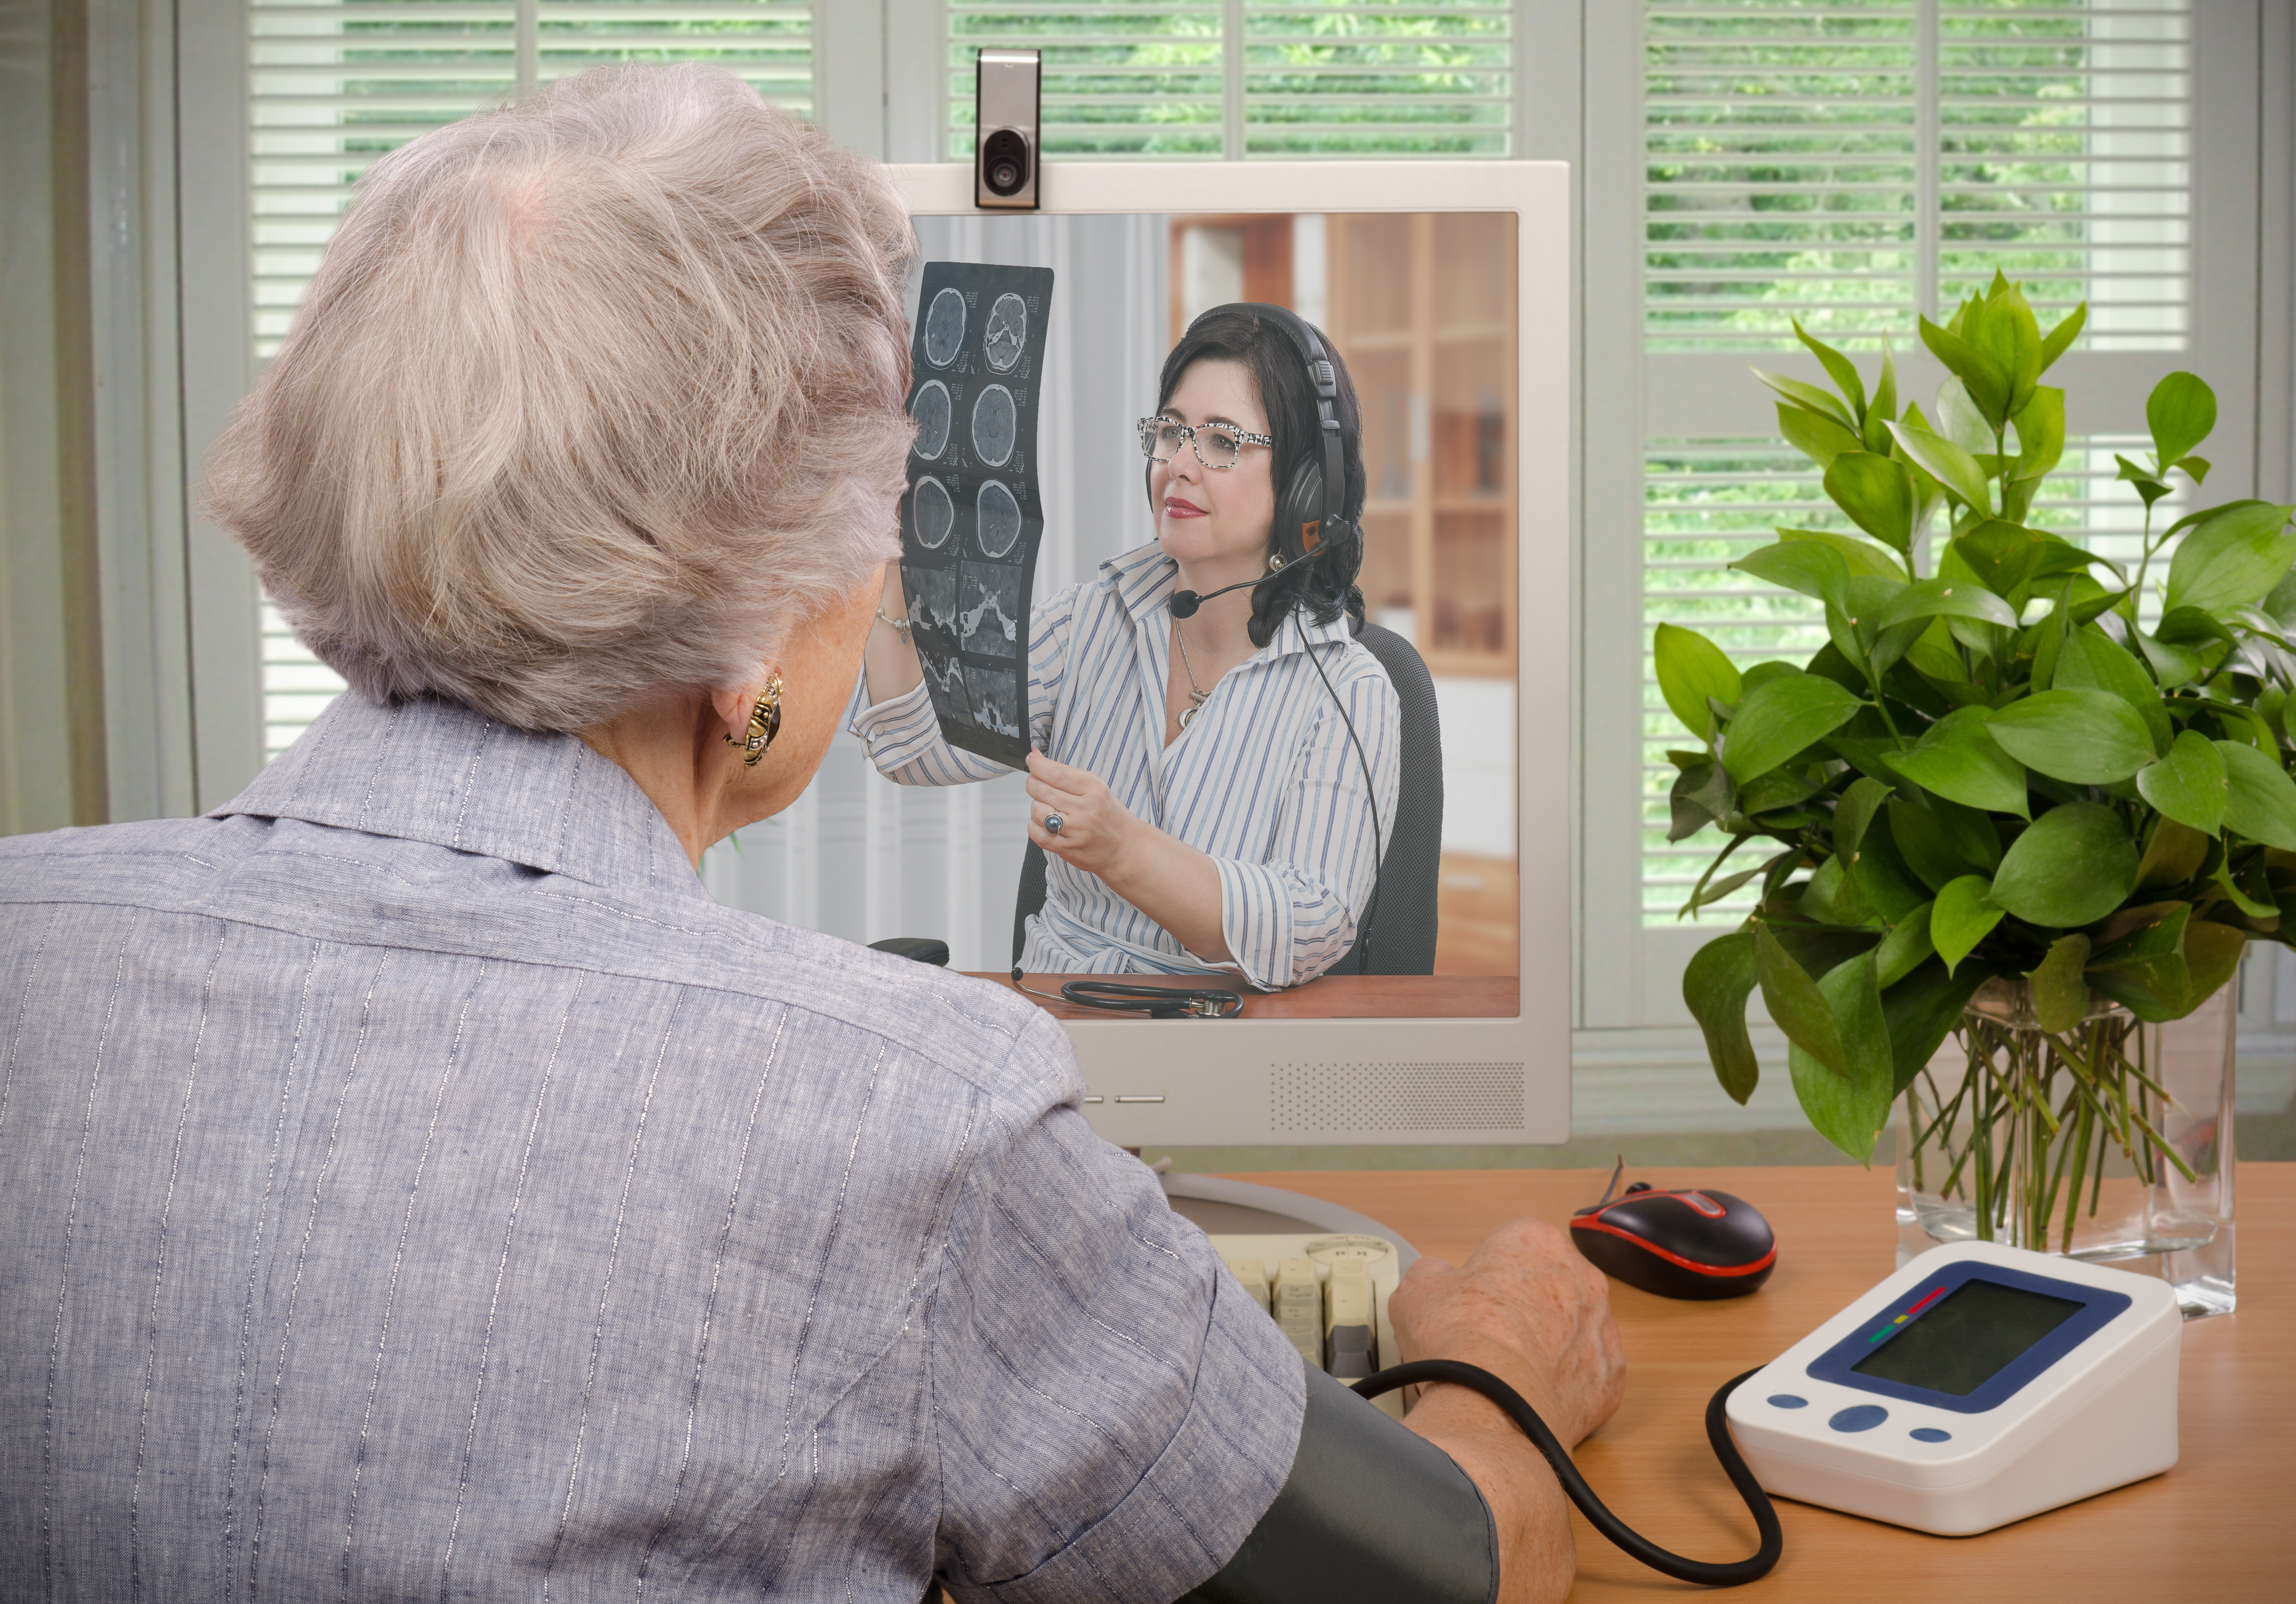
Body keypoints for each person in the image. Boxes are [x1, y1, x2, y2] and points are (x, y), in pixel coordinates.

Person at [0, 65, 1622, 1604]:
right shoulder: (911, 1124)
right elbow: (1441, 1574)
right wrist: (1491, 1364)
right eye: (865, 518)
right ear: (760, 629)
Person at [855, 305, 1402, 990]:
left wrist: (1123, 848)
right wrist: (891, 551)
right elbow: (912, 747)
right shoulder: (1092, 621)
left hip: (1220, 1046)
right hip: (1058, 1030)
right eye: (1170, 433)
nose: (1178, 464)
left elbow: (1309, 925)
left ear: (1304, 488)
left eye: (1223, 443)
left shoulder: (1350, 692)